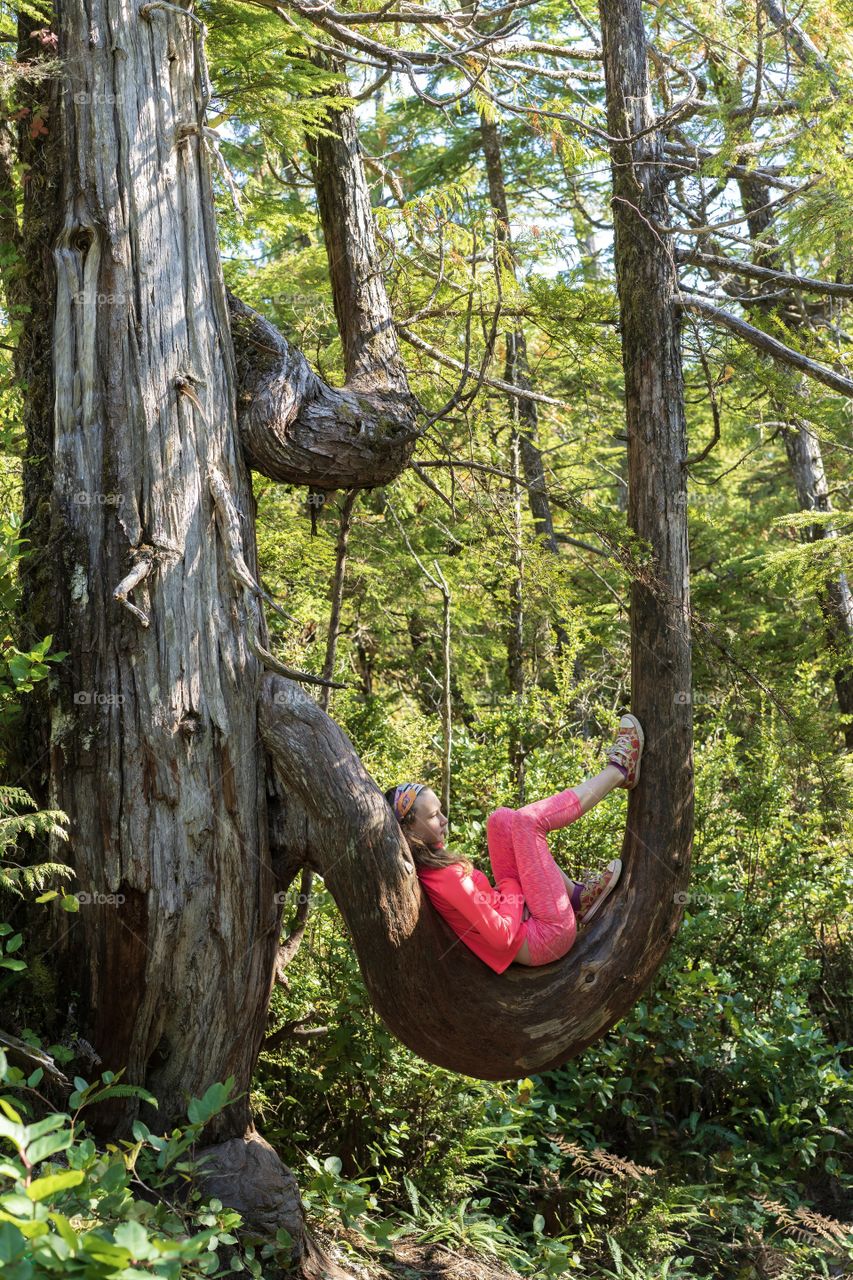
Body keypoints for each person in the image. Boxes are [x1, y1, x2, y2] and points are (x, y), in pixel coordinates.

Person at [384, 715, 644, 973]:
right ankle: (619, 771)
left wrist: (509, 895)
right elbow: (502, 937)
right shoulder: (446, 876)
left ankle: (578, 898)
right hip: (545, 937)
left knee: (501, 820)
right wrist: (511, 888)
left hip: (523, 919)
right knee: (529, 821)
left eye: (440, 811)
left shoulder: (430, 863)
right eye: (432, 816)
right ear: (408, 829)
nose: (444, 820)